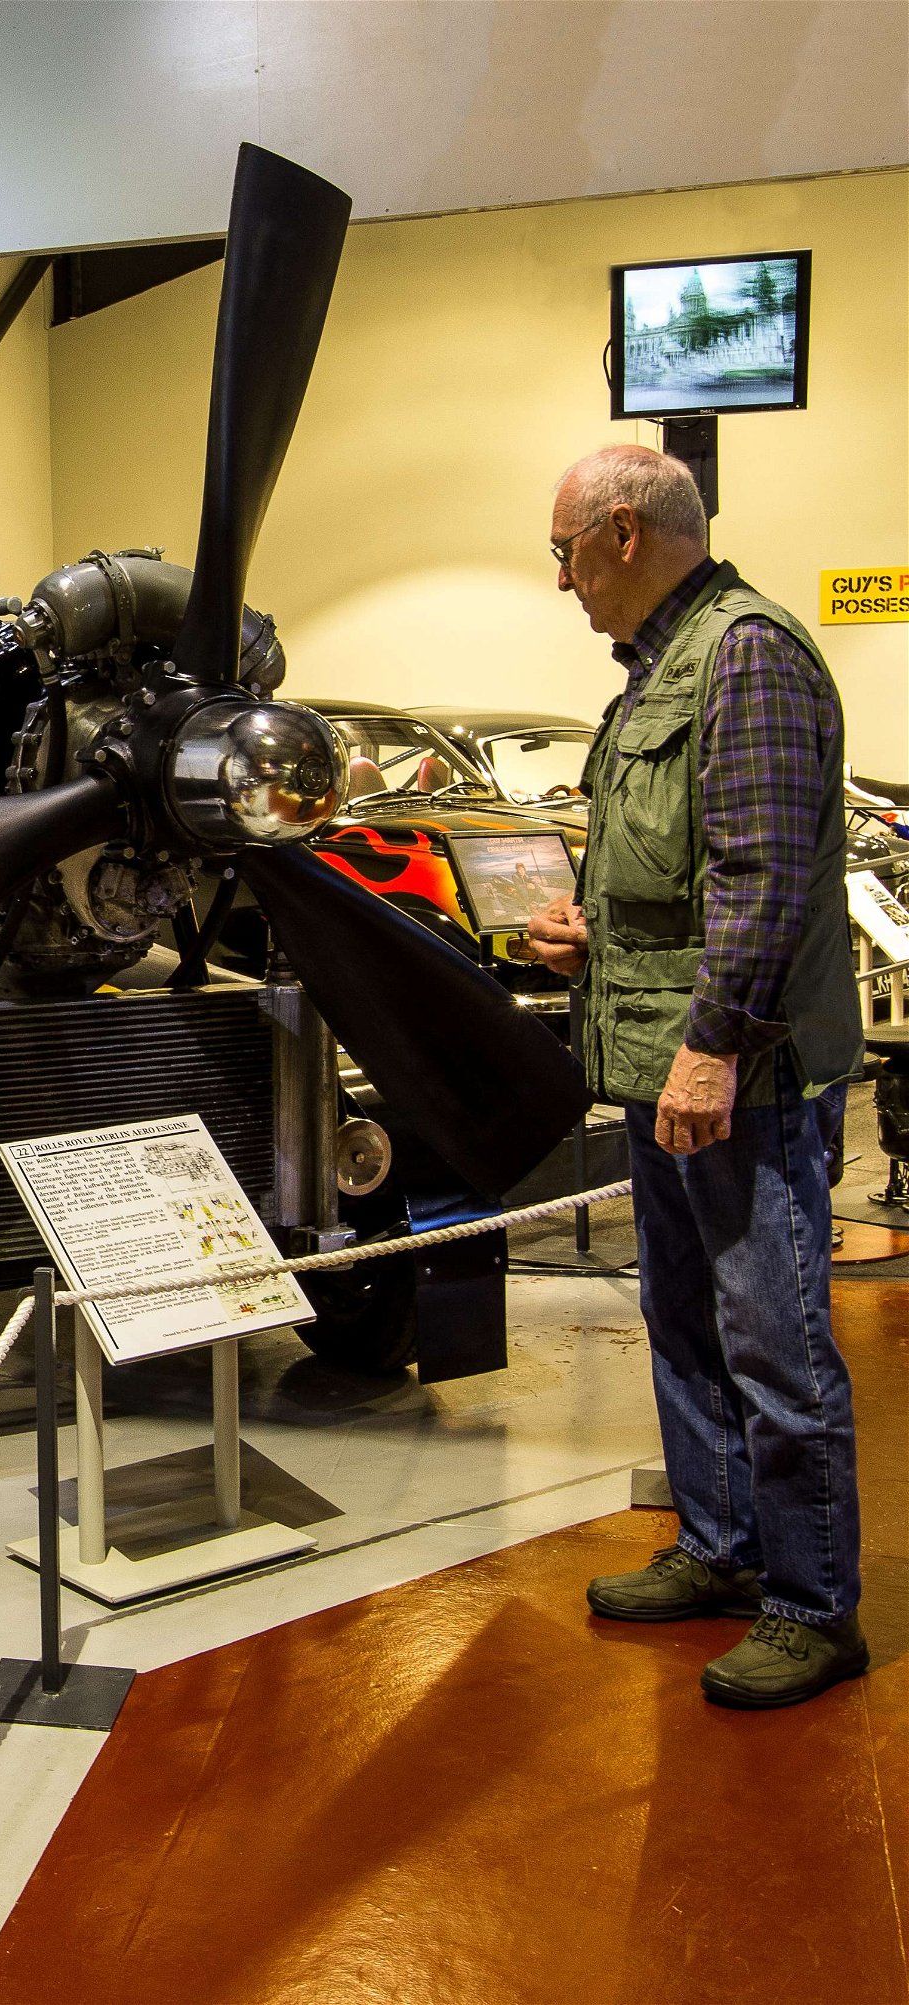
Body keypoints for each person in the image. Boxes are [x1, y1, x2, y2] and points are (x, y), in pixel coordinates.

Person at [528, 444, 866, 1709]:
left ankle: (811, 1605)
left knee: (772, 1345)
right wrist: (586, 934)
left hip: (737, 1081)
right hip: (663, 1069)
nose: (559, 580)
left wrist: (714, 1047)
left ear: (622, 532)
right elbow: (679, 880)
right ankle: (722, 1551)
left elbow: (768, 883)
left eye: (563, 551)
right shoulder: (659, 669)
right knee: (684, 1324)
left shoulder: (746, 656)